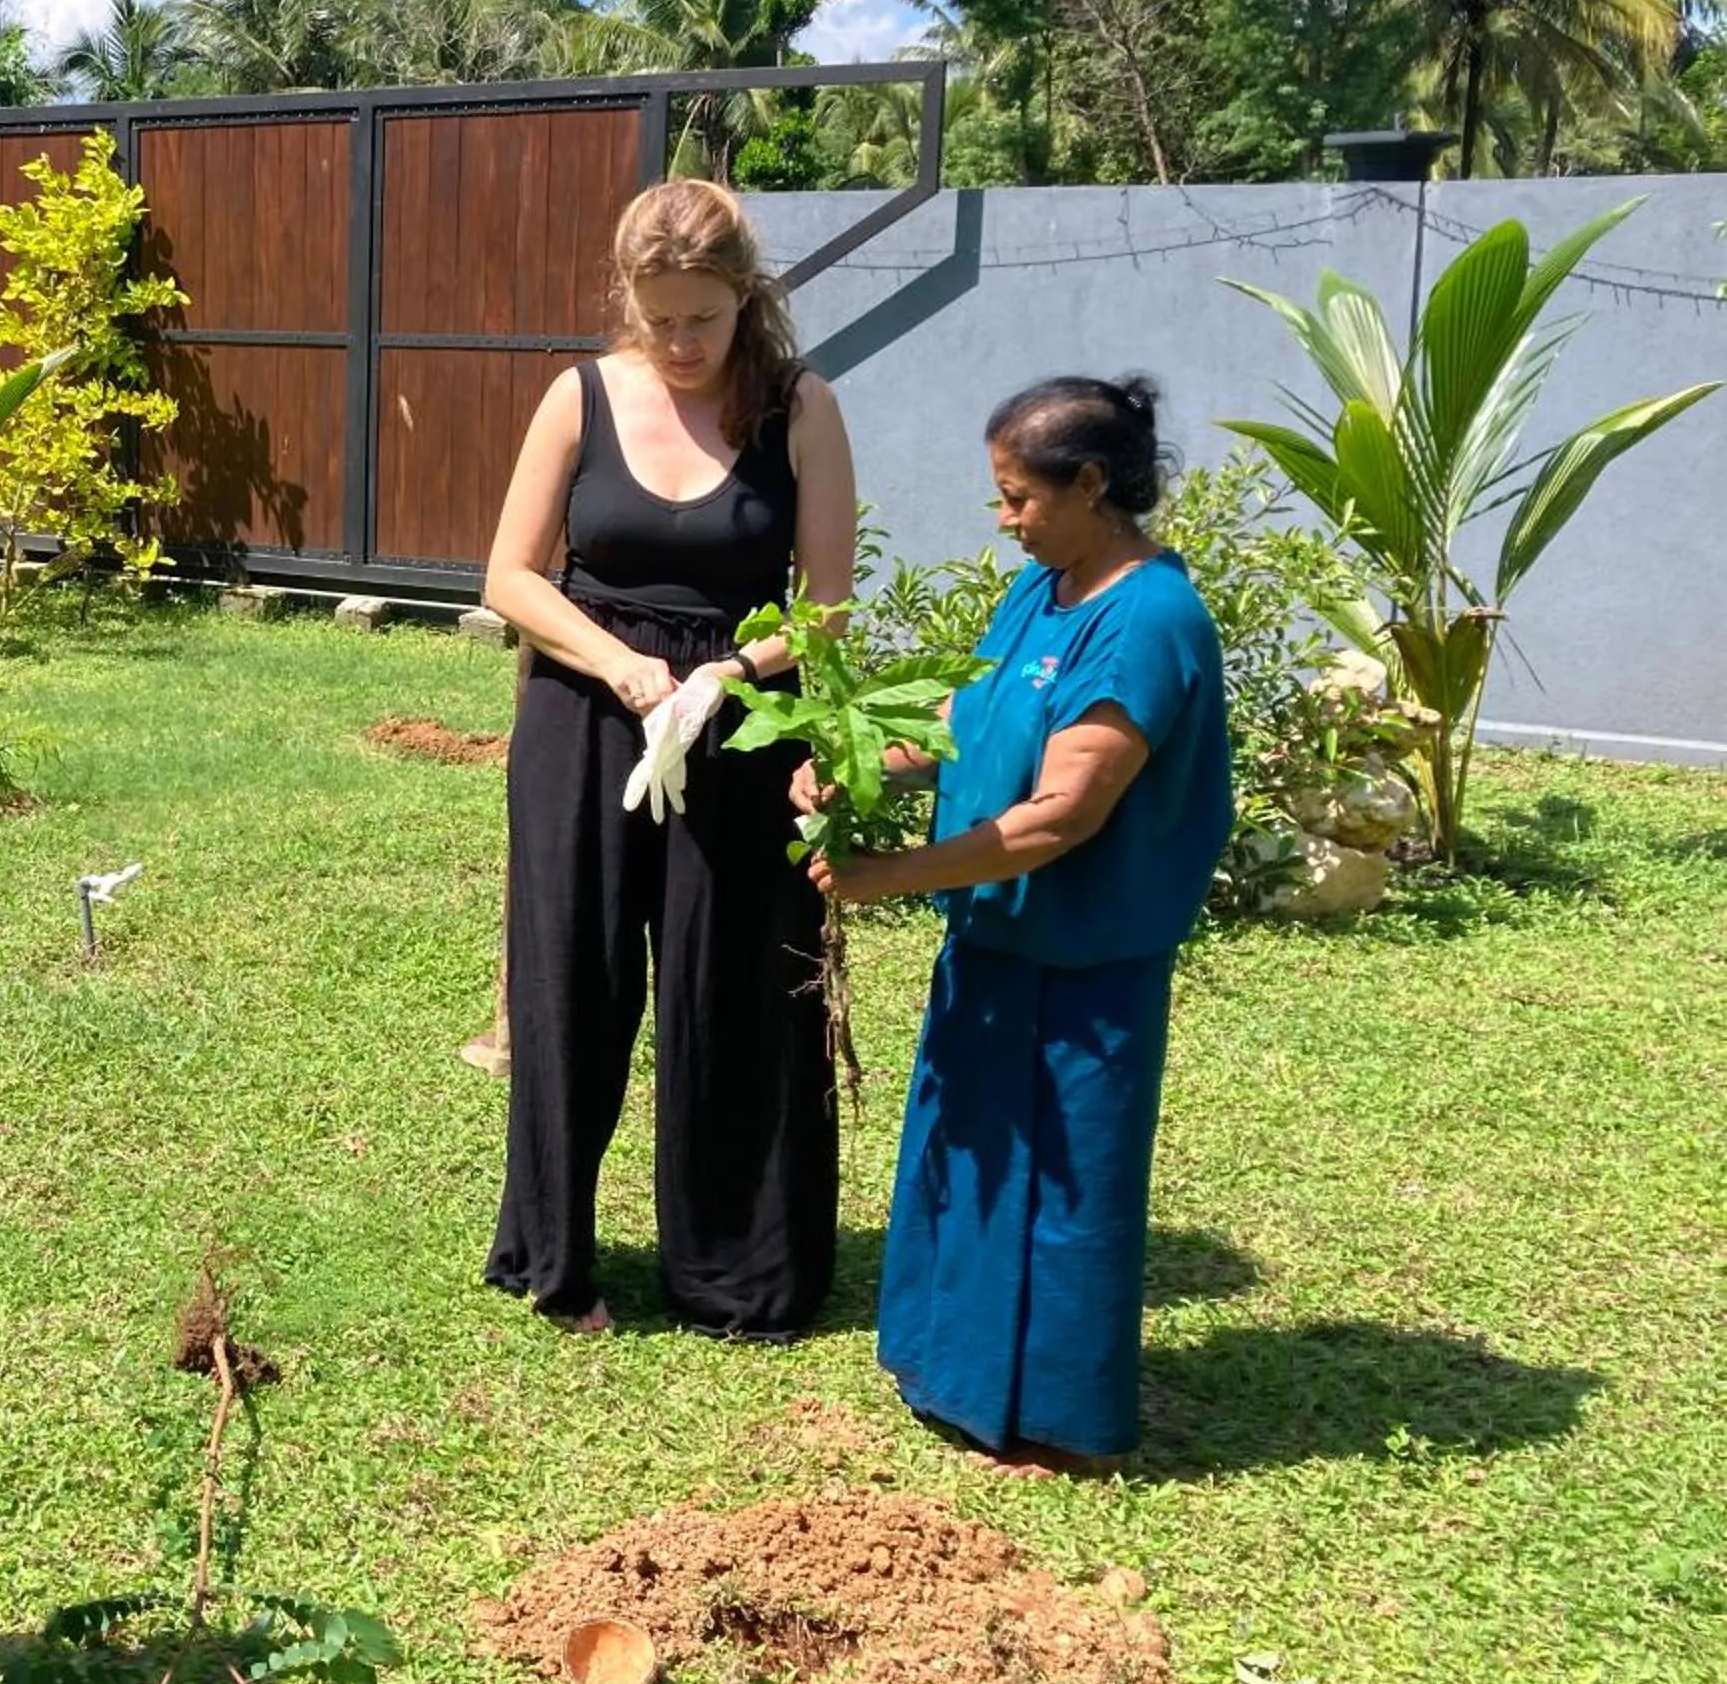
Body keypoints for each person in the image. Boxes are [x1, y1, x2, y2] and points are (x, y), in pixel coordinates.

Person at [799, 376, 1232, 1476]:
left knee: (1063, 1190)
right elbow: (966, 713)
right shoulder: (1043, 591)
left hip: (1084, 971)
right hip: (992, 947)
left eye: (1018, 496)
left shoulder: (1149, 621)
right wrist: (854, 757)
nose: (1005, 519)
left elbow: (1060, 817)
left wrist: (889, 875)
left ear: (1092, 484)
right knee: (970, 1162)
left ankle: (1052, 1418)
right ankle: (948, 1373)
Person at [479, 177, 856, 1337]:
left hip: (739, 733)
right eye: (659, 316)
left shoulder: (801, 407)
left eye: (702, 316)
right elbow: (511, 577)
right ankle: (556, 1256)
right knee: (573, 984)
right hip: (584, 722)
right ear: (628, 298)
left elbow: (831, 607)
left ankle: (735, 1270)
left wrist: (731, 676)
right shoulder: (578, 396)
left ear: (746, 297)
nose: (680, 342)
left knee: (736, 989)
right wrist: (622, 666)